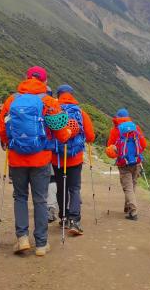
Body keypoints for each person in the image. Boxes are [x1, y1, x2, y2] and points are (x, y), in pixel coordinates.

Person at [0, 66, 71, 257]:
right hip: (41, 159)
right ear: (45, 82)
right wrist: (67, 133)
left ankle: (21, 238)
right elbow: (61, 134)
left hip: (17, 158)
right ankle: (41, 244)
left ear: (26, 78)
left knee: (20, 197)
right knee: (40, 199)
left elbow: (1, 126)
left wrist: (8, 142)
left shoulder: (11, 100)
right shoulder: (49, 102)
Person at [49, 84, 95, 236]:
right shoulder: (81, 112)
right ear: (72, 95)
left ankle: (63, 217)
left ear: (58, 94)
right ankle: (75, 221)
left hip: (57, 158)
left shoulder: (52, 110)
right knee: (74, 188)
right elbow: (90, 137)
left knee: (61, 187)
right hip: (75, 158)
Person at [105, 108, 147, 221]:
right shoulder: (135, 128)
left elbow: (110, 147)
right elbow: (143, 144)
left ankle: (133, 211)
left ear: (117, 118)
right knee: (132, 185)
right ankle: (128, 207)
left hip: (123, 163)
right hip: (136, 162)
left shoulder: (115, 130)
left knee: (127, 187)